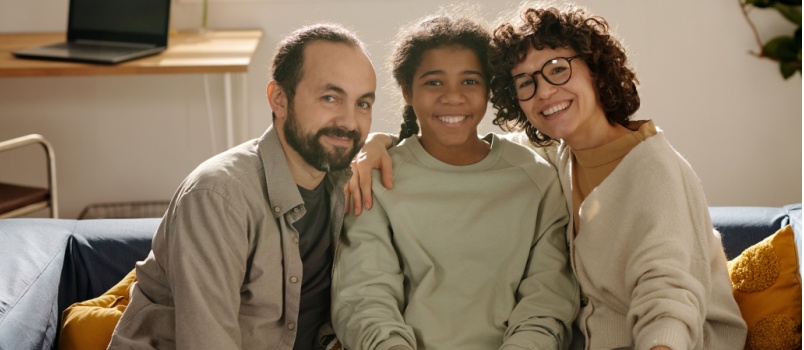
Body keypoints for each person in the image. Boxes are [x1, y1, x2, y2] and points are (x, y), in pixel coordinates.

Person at [349, 3, 747, 350]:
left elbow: (669, 296)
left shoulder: (653, 170)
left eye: (558, 69)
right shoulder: (559, 155)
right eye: (526, 82)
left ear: (594, 68)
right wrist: (377, 142)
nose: (544, 92)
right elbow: (456, 141)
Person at [106, 23, 376, 350]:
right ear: (279, 99)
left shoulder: (347, 176)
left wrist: (381, 142)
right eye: (330, 98)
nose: (349, 122)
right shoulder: (218, 197)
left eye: (363, 104)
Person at [331, 13, 578, 350]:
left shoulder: (534, 179)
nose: (453, 97)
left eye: (470, 81)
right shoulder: (375, 180)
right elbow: (365, 297)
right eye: (434, 82)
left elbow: (548, 301)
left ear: (489, 89)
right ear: (407, 91)